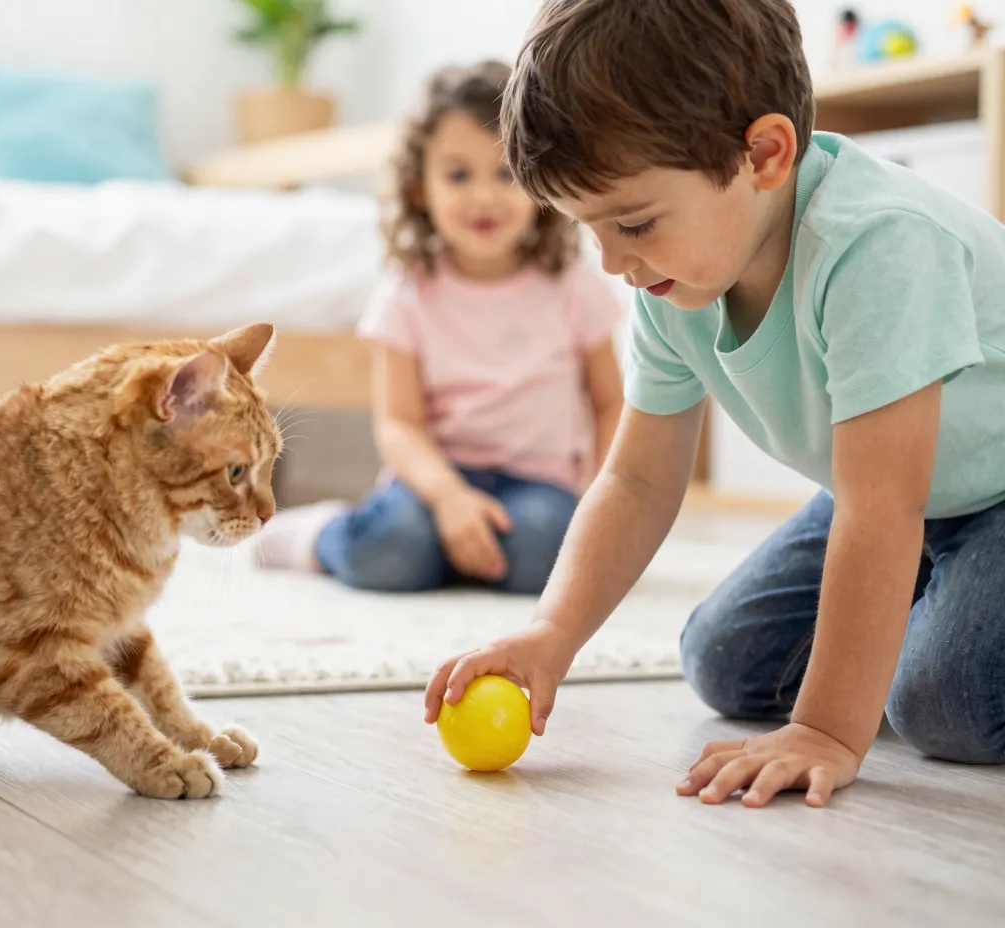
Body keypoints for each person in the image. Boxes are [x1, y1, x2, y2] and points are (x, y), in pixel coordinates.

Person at [426, 0, 1005, 808]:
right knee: (723, 658)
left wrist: (829, 730)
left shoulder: (880, 245)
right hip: (902, 499)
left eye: (630, 221)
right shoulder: (671, 279)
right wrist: (549, 635)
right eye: (588, 229)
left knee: (946, 706)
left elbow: (882, 508)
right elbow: (636, 482)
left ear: (765, 154)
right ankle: (922, 608)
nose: (612, 261)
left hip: (980, 494)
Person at [258, 60, 624, 595]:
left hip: (538, 488)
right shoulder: (407, 292)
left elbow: (610, 402)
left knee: (545, 552)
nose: (483, 196)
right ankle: (318, 534)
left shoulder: (571, 284)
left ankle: (450, 557)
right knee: (391, 549)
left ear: (540, 179)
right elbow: (399, 426)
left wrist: (599, 498)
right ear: (419, 188)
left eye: (505, 173)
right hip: (431, 484)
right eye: (457, 174)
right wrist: (449, 499)